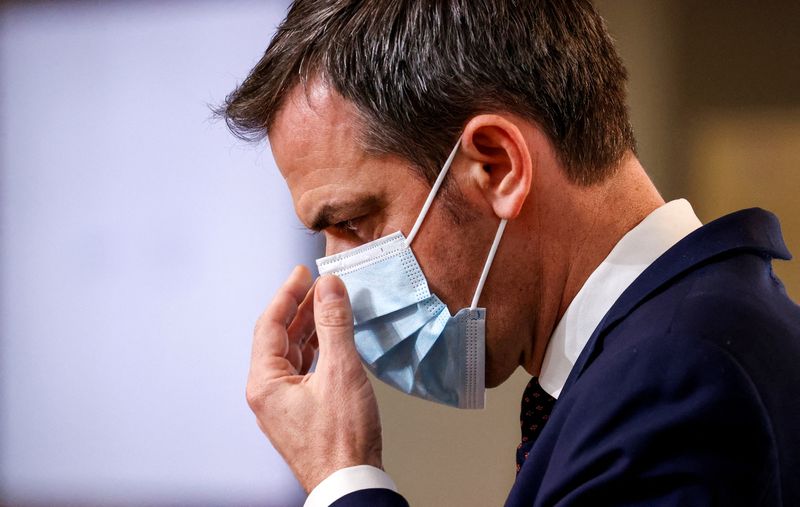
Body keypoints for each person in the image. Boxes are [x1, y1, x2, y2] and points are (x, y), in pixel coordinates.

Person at [219, 1, 800, 505]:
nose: (335, 286)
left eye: (351, 221)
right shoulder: (677, 344)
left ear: (496, 167)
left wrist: (340, 478)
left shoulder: (676, 379)